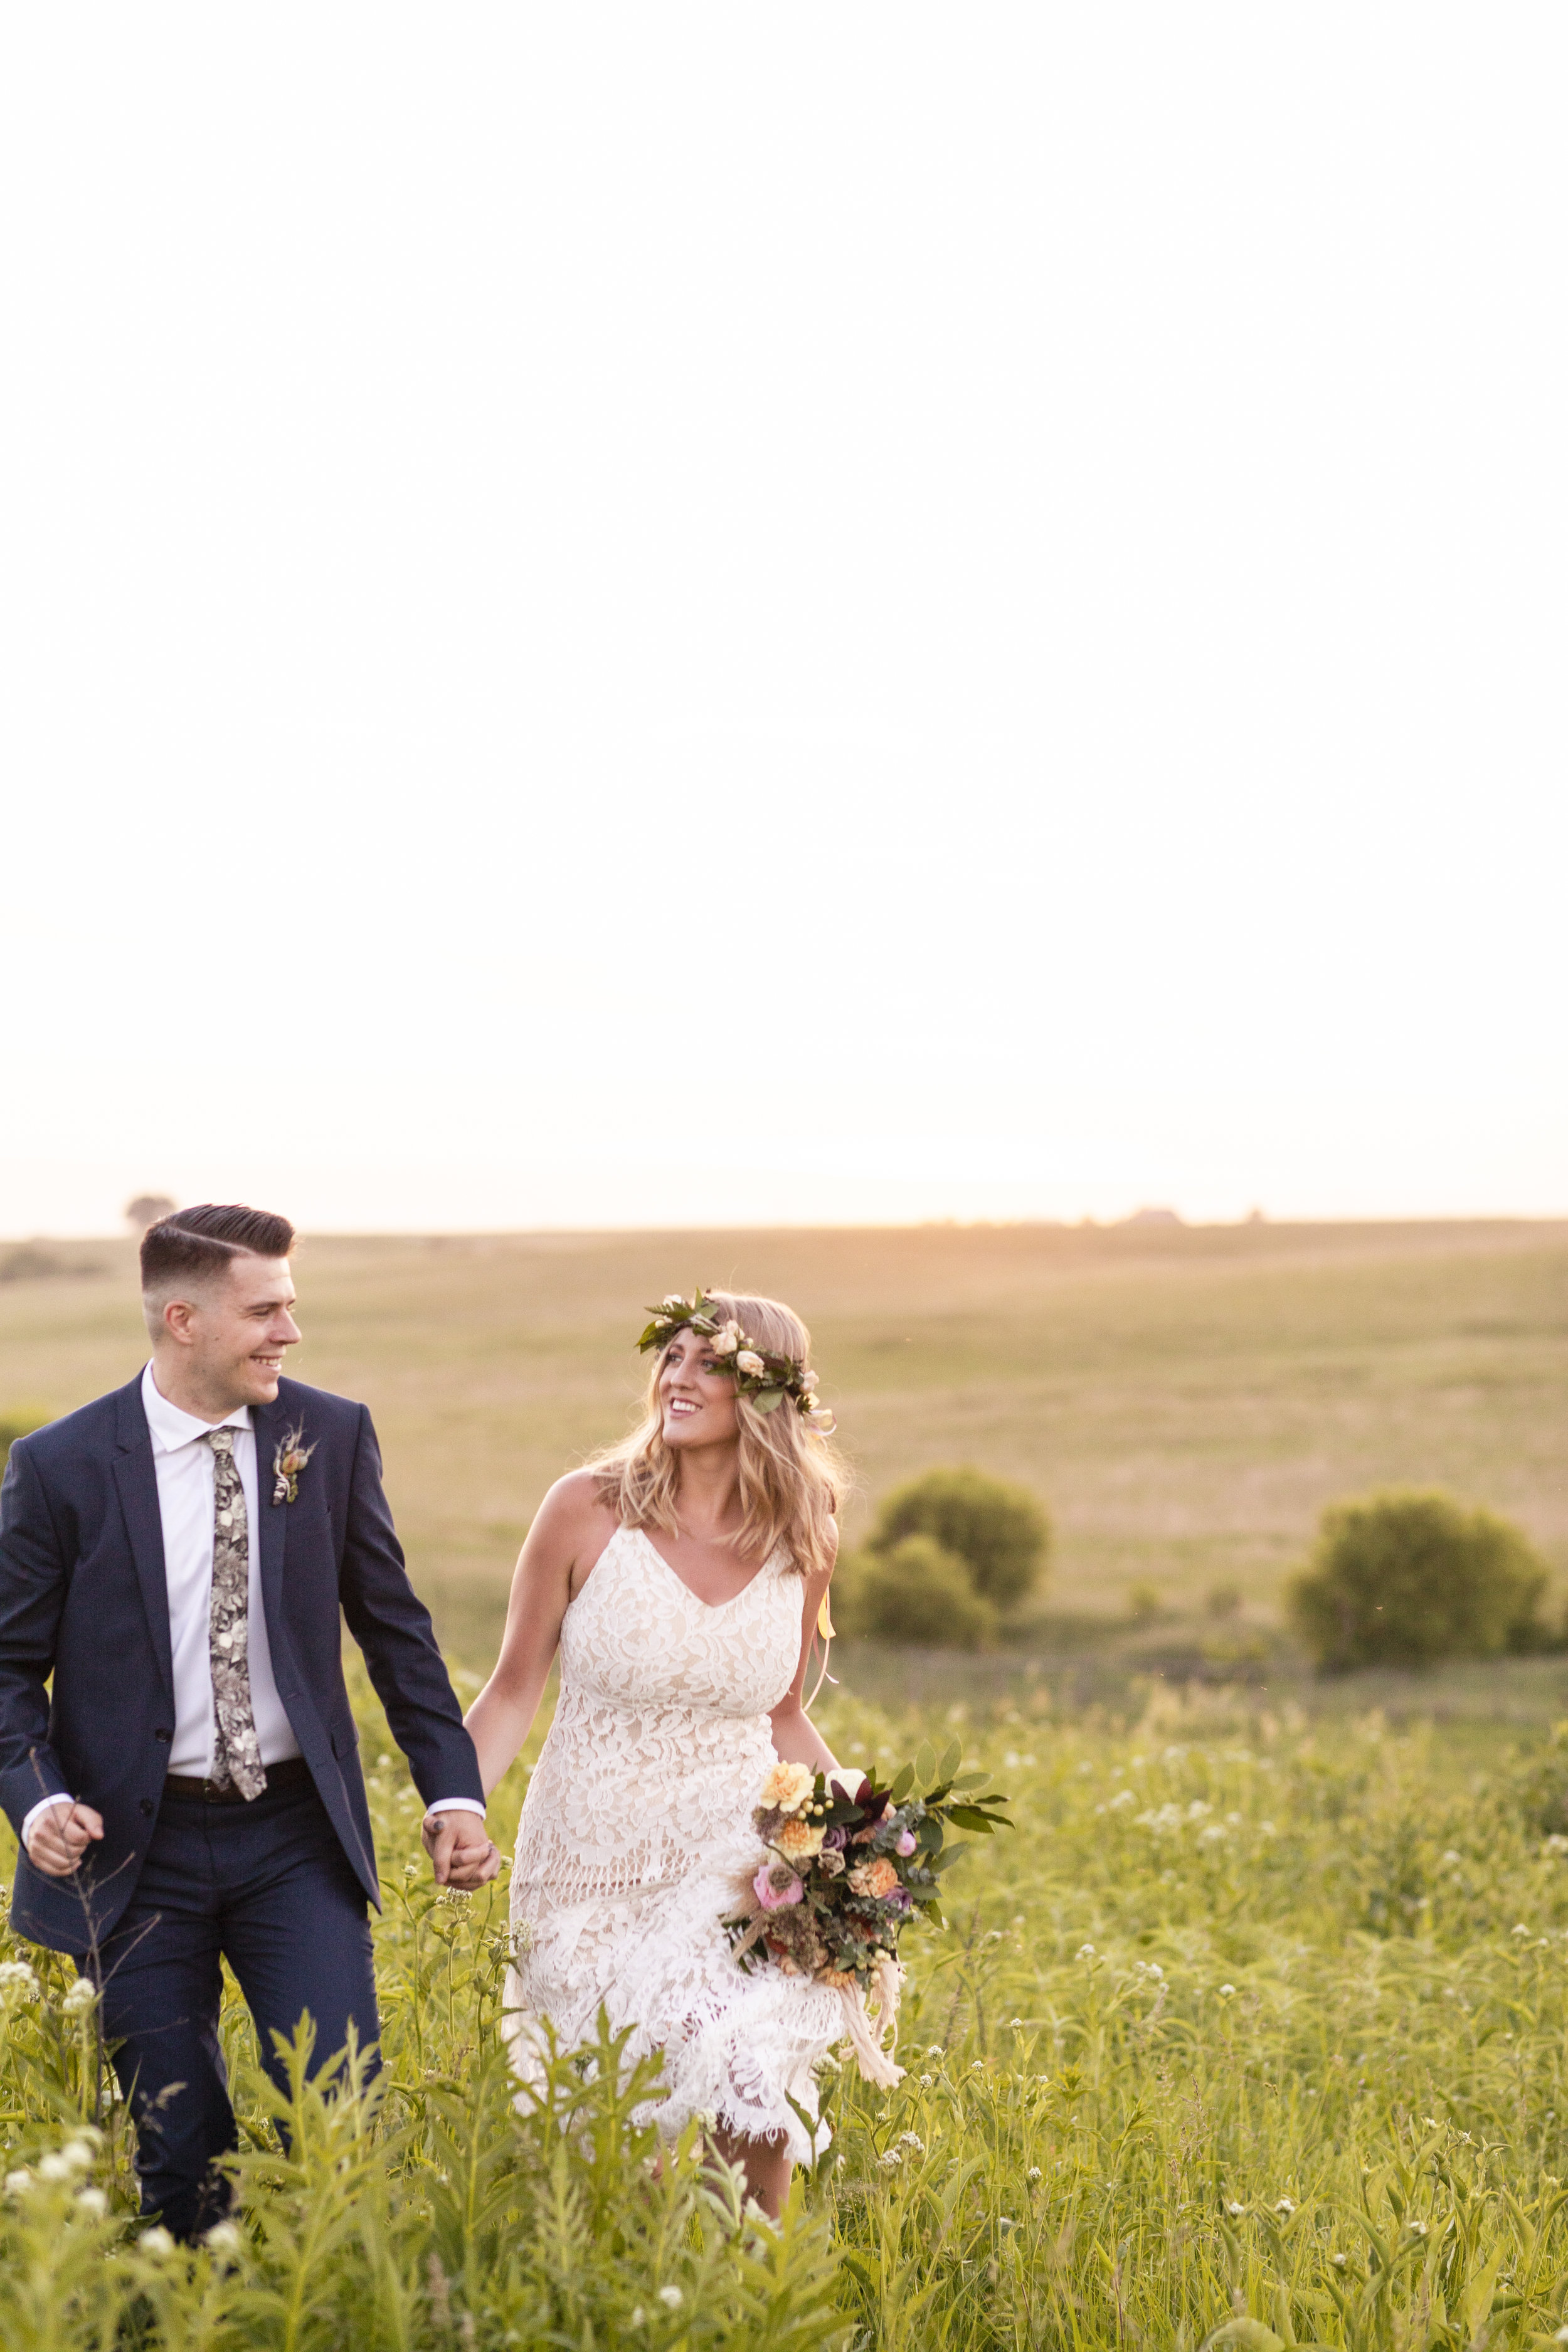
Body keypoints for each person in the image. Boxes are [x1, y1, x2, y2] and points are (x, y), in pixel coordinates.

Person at [0, 1204, 499, 2241]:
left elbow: (395, 1630)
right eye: (265, 1309)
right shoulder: (60, 1466)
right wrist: (36, 1799)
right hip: (136, 1853)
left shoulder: (331, 1432)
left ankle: (331, 2306)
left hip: (293, 1839)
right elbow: (5, 1672)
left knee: (337, 2117)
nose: (290, 1332)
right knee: (179, 2149)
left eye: (293, 1306)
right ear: (183, 1318)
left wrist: (453, 1788)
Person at [462, 1288, 849, 2215]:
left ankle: (754, 2299)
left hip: (732, 1863)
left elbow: (784, 1708)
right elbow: (514, 1686)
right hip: (587, 1866)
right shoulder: (585, 1510)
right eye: (669, 1357)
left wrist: (866, 1833)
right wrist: (458, 1806)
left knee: (749, 2082)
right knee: (619, 2142)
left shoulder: (807, 1534)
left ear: (763, 1392)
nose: (676, 1376)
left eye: (706, 1361)